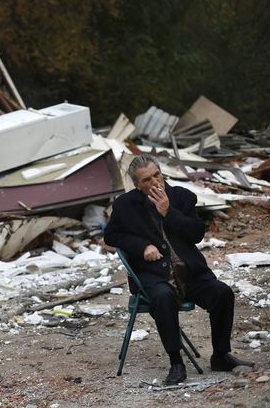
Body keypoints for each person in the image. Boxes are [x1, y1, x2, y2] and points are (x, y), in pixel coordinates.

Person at [104, 154, 253, 384]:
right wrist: (141, 246)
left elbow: (197, 234)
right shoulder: (125, 205)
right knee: (163, 298)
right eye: (146, 180)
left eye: (157, 175)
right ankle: (176, 363)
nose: (155, 183)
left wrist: (168, 212)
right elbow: (111, 235)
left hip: (190, 272)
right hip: (154, 276)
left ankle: (221, 355)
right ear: (136, 184)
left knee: (222, 293)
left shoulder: (181, 197)